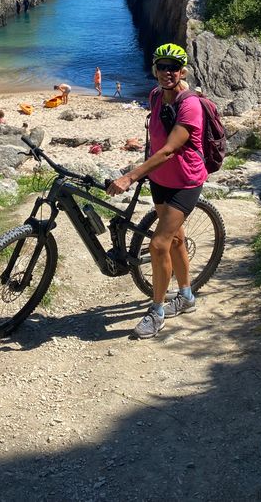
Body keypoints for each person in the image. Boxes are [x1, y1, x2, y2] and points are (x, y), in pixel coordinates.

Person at [107, 43, 207, 339]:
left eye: (173, 67)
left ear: (183, 71)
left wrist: (131, 176)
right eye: (162, 66)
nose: (167, 72)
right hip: (161, 180)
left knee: (158, 244)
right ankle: (187, 297)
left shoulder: (190, 105)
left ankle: (157, 312)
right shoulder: (155, 96)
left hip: (186, 182)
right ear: (155, 69)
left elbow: (168, 150)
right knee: (176, 239)